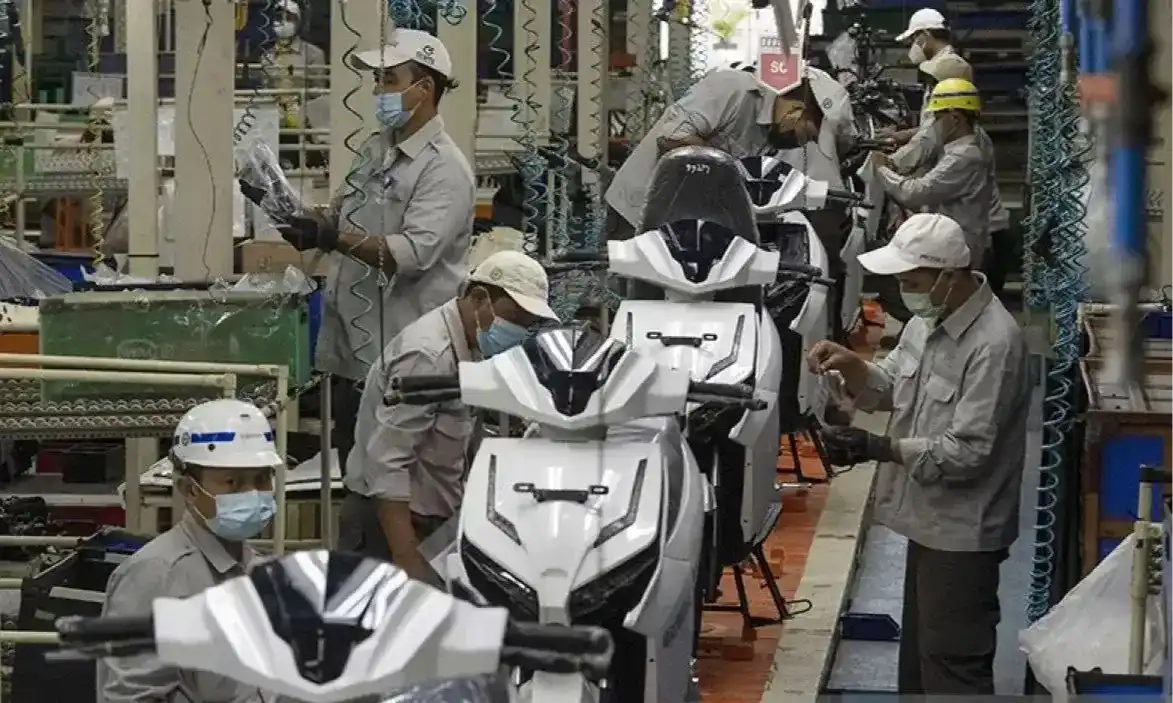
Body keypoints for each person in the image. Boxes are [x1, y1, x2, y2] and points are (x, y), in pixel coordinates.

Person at [807, 213, 1030, 695]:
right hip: (927, 518)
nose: (903, 291)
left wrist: (879, 447)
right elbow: (891, 384)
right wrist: (854, 366)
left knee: (953, 664)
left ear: (949, 277)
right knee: (920, 659)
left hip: (963, 532)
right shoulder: (927, 321)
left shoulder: (994, 345)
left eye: (912, 282)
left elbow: (968, 452)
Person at [277, 28, 475, 475]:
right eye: (376, 80)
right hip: (355, 356)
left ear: (424, 88)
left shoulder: (443, 168)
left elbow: (413, 254)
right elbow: (343, 215)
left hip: (409, 364)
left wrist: (332, 239)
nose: (377, 91)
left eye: (388, 80)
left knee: (401, 486)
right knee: (358, 478)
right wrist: (295, 214)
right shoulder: (375, 149)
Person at [339, 251, 560, 582]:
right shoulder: (429, 355)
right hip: (390, 527)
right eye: (514, 317)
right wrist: (407, 558)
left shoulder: (471, 346)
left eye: (527, 324)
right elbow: (386, 463)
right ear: (479, 298)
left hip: (431, 521)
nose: (519, 331)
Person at [97, 399, 282, 703]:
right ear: (188, 489)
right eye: (232, 482)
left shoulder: (253, 567)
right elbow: (132, 697)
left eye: (261, 479)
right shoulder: (158, 576)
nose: (252, 494)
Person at [604, 67, 821, 243]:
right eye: (805, 134)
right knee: (635, 282)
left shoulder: (771, 134)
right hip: (639, 213)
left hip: (691, 224)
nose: (800, 143)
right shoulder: (732, 89)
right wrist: (727, 167)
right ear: (796, 110)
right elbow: (671, 138)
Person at [888, 52, 1013, 297]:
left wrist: (883, 169)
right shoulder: (958, 137)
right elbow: (921, 144)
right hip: (971, 233)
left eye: (935, 85)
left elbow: (919, 191)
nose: (929, 91)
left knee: (966, 303)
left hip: (980, 237)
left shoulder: (967, 151)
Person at [870, 78, 994, 270]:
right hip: (952, 242)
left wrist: (882, 169)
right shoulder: (961, 146)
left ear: (955, 119)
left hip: (958, 249)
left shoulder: (964, 156)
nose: (933, 125)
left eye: (937, 118)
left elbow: (915, 193)